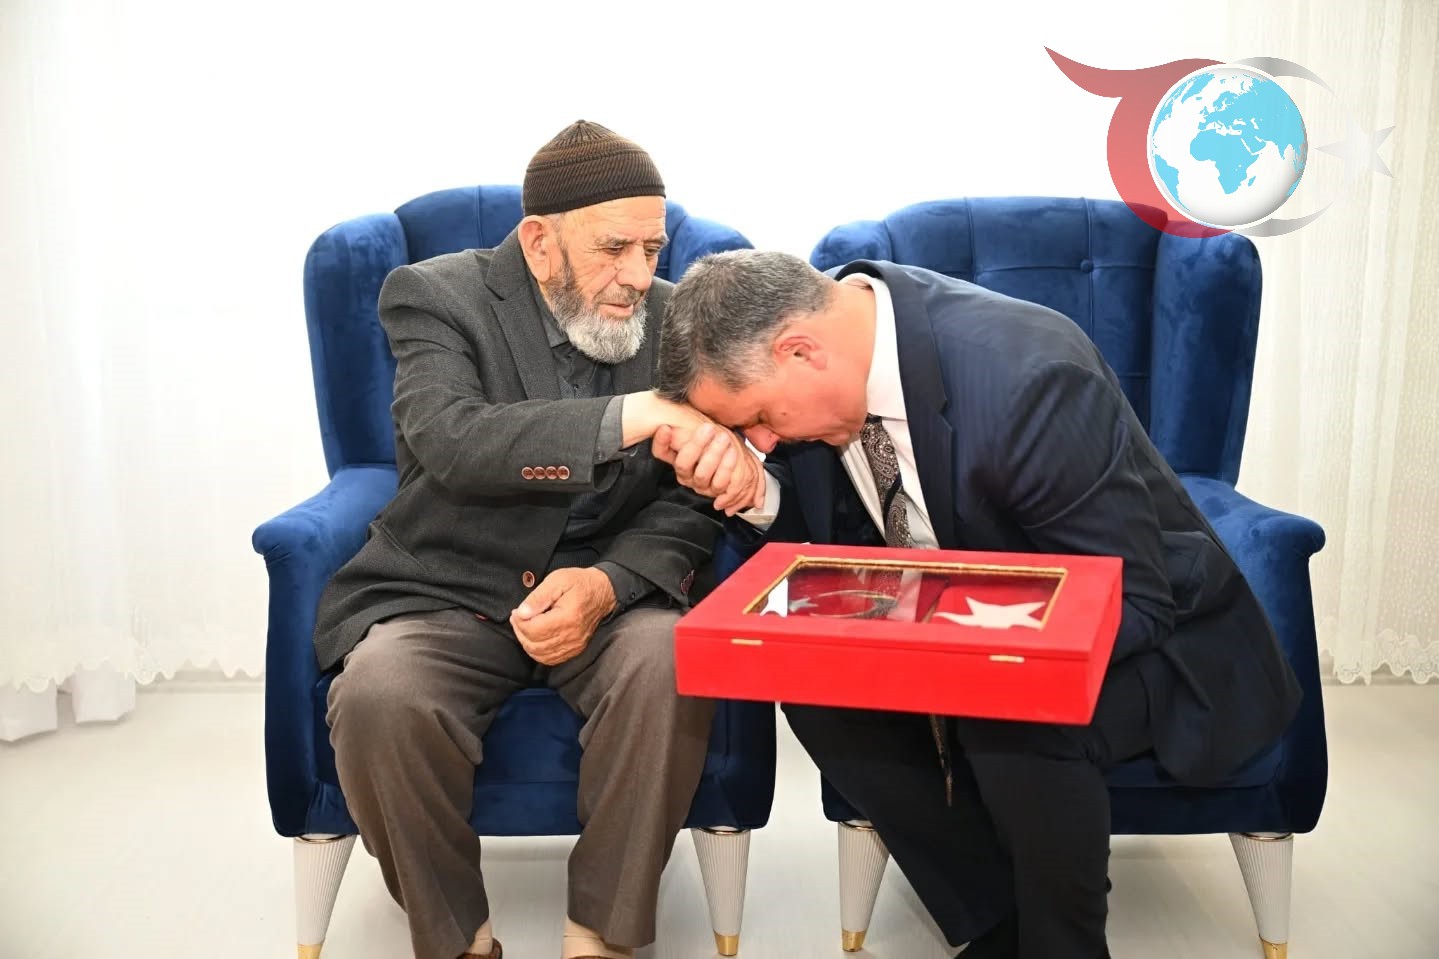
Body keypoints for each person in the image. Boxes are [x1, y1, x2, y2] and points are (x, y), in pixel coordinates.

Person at [652, 250, 1302, 959]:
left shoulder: (1027, 378)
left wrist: (967, 661)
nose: (762, 441)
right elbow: (838, 543)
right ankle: (995, 923)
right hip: (957, 631)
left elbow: (1134, 596)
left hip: (1159, 641)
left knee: (1007, 700)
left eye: (757, 418)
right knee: (814, 683)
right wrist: (758, 493)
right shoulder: (832, 364)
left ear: (800, 351)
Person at [315, 121, 741, 959]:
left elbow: (690, 504)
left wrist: (608, 584)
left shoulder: (672, 319)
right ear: (540, 243)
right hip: (448, 587)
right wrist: (634, 415)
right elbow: (453, 438)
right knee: (379, 693)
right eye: (614, 248)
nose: (638, 276)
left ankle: (602, 935)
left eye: (651, 249)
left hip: (611, 594)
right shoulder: (433, 296)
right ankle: (458, 939)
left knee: (671, 658)